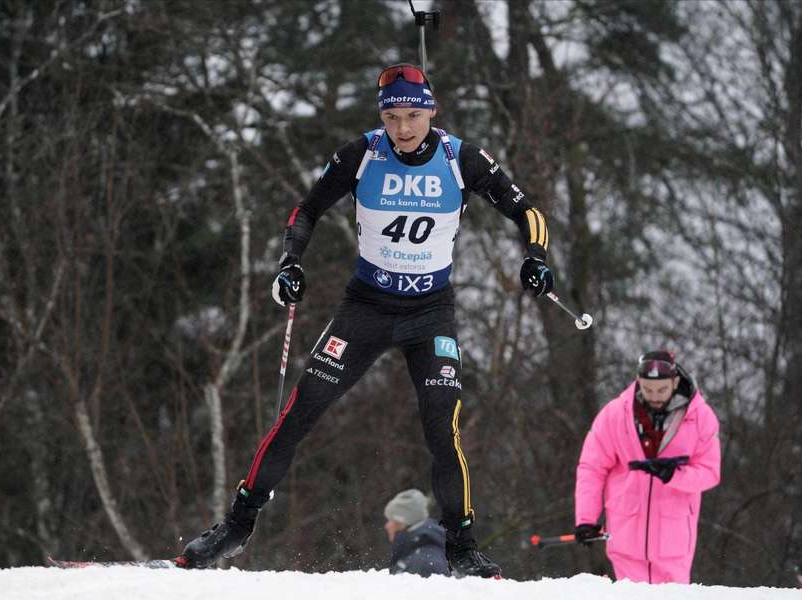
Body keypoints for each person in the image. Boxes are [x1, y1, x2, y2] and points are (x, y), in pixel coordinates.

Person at [178, 63, 555, 578]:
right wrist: (290, 263)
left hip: (430, 312)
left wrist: (535, 257)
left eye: (413, 116)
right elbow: (306, 210)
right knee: (300, 410)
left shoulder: (460, 158)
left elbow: (527, 211)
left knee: (442, 426)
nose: (403, 128)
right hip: (366, 308)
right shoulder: (362, 155)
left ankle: (462, 546)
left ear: (431, 112)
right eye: (392, 117)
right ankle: (237, 525)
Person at [573, 350, 721, 584]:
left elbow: (710, 473)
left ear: (675, 382)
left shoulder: (701, 418)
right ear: (638, 381)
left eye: (661, 390)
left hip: (674, 539)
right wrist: (586, 519)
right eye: (648, 389)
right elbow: (592, 468)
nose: (654, 396)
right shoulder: (614, 414)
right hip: (625, 534)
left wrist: (674, 475)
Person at [383, 489, 450, 577]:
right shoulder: (415, 555)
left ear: (403, 521)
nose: (386, 526)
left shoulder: (425, 563)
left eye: (391, 520)